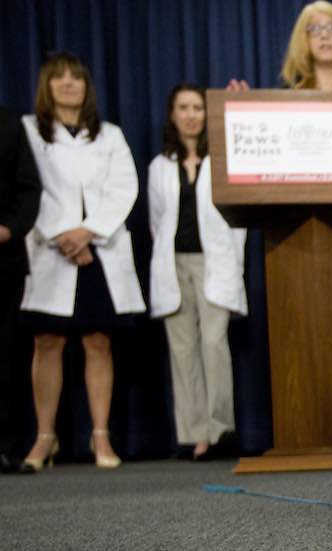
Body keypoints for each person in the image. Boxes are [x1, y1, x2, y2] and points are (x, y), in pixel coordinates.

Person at [20, 52, 145, 470]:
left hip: (99, 251)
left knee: (97, 341)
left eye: (76, 78)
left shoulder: (108, 134)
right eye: (60, 78)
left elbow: (124, 187)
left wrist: (88, 231)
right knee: (48, 341)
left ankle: (101, 438)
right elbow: (27, 188)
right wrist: (63, 234)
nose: (69, 84)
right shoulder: (28, 131)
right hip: (51, 251)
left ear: (87, 87)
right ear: (47, 86)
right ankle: (45, 438)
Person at [148, 84, 247, 460]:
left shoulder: (222, 160)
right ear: (172, 114)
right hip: (173, 265)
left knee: (213, 344)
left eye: (197, 108)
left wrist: (236, 265)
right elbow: (157, 221)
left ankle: (218, 430)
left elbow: (237, 222)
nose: (191, 114)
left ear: (207, 115)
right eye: (183, 107)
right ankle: (194, 436)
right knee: (183, 350)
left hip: (214, 262)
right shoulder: (159, 166)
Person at [0, 106, 41, 474]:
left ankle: (5, 447)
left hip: (4, 259)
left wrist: (10, 228)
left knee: (6, 354)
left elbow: (29, 187)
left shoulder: (8, 123)